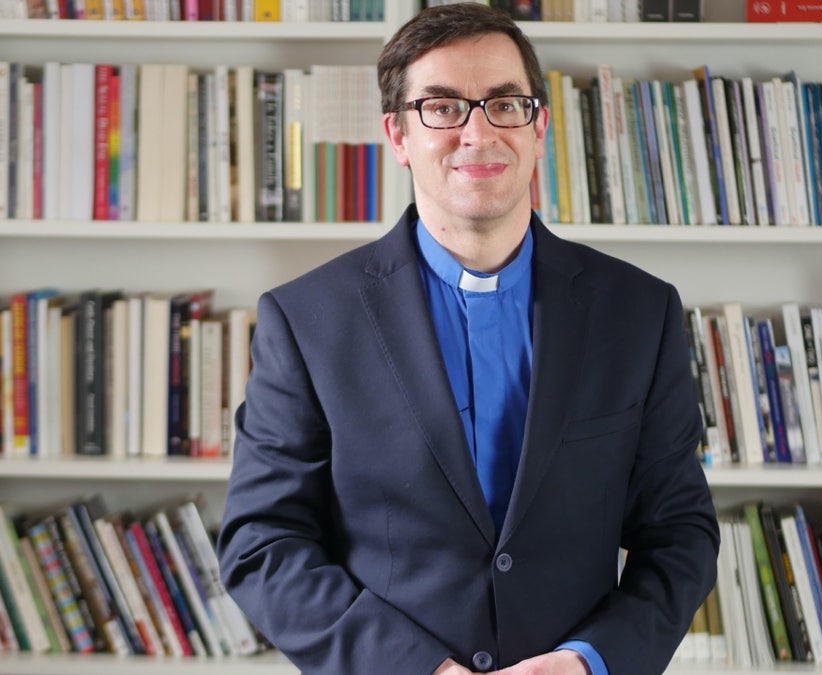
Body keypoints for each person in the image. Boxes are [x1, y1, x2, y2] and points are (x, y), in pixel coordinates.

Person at [217, 4, 719, 674]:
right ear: (397, 135)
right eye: (443, 106)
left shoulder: (639, 311)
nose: (478, 132)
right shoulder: (306, 319)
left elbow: (680, 534)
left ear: (539, 127)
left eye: (505, 104)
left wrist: (588, 661)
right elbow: (262, 542)